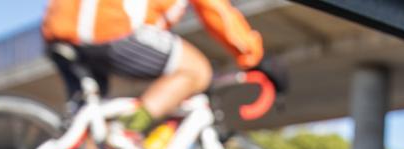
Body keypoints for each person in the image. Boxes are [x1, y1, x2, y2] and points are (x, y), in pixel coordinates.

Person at [41, 0, 285, 135]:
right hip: (109, 24)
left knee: (90, 128)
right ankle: (126, 133)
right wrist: (254, 56)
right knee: (197, 70)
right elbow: (215, 10)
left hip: (58, 28)